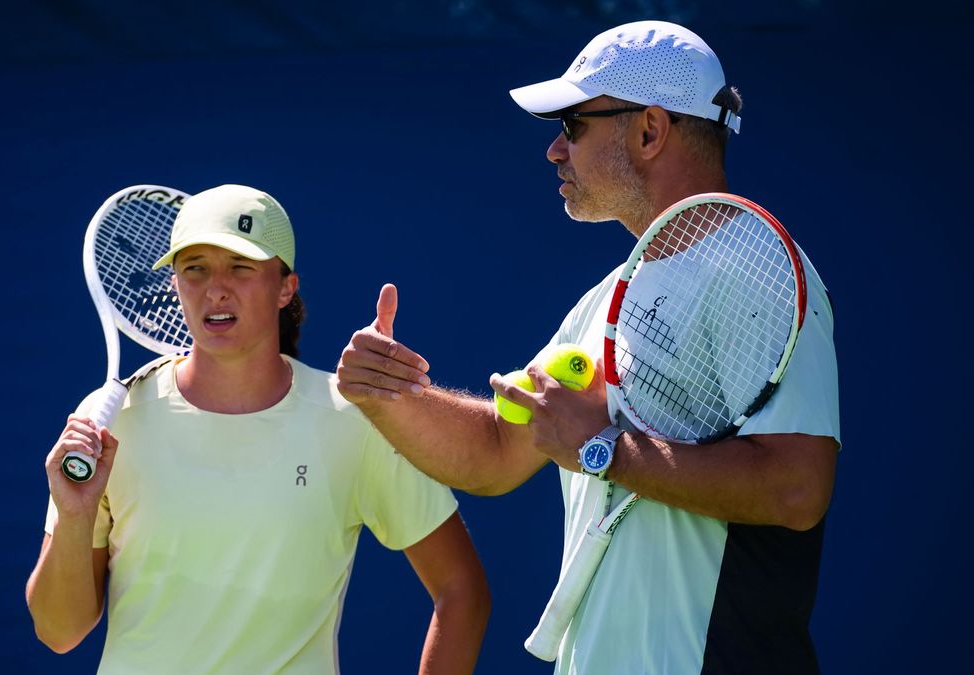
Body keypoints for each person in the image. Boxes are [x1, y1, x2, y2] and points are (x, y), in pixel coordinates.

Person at [336, 21, 840, 675]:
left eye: (573, 125)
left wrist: (601, 448)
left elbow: (798, 486)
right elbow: (498, 447)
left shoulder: (755, 274)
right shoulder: (605, 299)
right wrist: (391, 393)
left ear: (650, 131)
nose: (553, 149)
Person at [26, 184, 490, 674]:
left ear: (285, 288)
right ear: (175, 285)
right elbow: (59, 632)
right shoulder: (111, 420)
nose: (216, 288)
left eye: (240, 267)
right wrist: (75, 519)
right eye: (195, 268)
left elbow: (462, 593)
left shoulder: (354, 419)